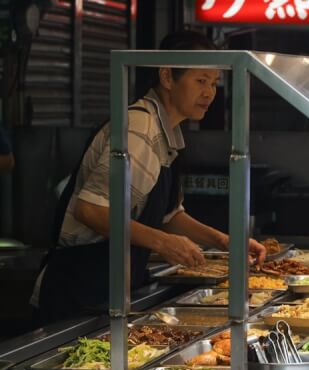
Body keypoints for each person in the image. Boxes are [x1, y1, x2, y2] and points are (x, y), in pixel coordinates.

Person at [30, 31, 266, 323]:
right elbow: (91, 210)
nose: (209, 93)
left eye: (214, 82)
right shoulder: (139, 127)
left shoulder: (167, 132)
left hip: (114, 283)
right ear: (167, 77)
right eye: (201, 81)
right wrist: (164, 243)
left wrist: (225, 241)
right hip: (80, 285)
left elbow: (169, 215)